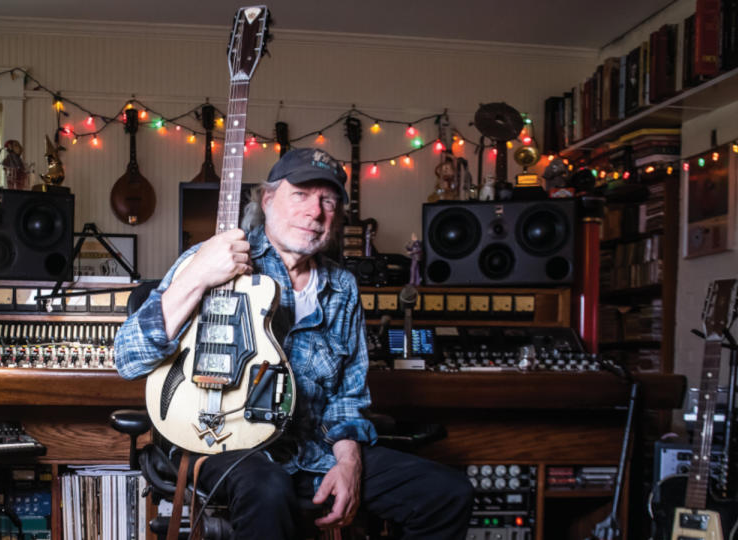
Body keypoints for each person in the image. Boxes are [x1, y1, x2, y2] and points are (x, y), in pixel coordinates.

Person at [114, 148, 473, 539]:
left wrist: (349, 462)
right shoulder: (212, 260)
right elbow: (128, 359)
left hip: (314, 452)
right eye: (300, 195)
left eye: (328, 200)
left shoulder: (342, 287)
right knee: (269, 489)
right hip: (228, 447)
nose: (315, 211)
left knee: (448, 494)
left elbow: (347, 397)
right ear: (268, 200)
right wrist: (198, 275)